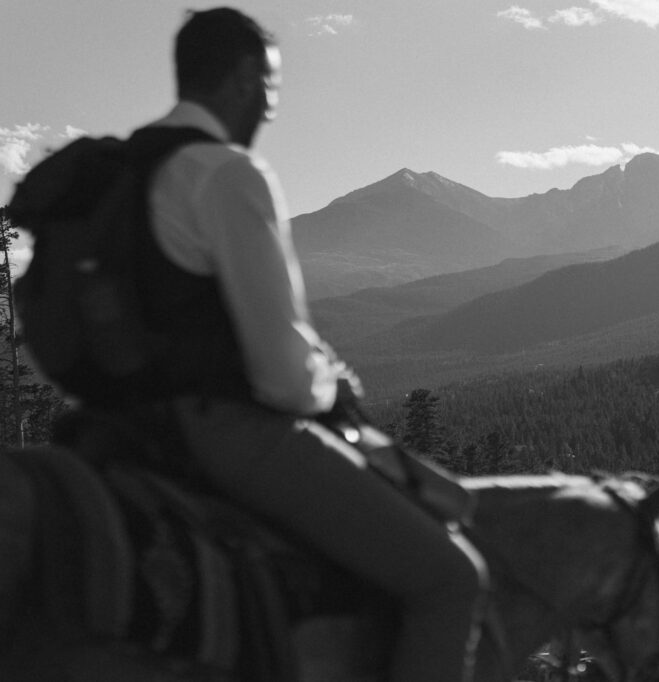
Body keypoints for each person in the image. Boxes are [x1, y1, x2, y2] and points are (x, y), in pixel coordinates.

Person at [129, 8, 490, 681]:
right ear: (241, 79)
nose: (270, 106)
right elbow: (280, 375)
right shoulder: (226, 173)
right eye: (270, 86)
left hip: (116, 429)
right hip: (222, 432)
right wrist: (335, 386)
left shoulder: (122, 173)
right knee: (450, 580)